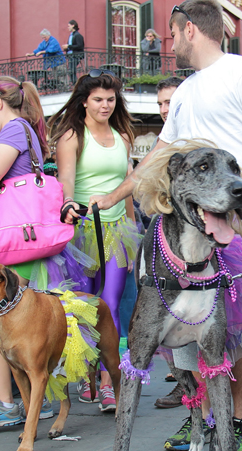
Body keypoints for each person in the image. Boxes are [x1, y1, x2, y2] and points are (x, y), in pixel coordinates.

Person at [91, 0, 242, 451]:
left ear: (191, 31)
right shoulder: (184, 91)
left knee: (232, 328)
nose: (169, 42)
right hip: (188, 218)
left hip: (235, 214)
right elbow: (157, 159)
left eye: (172, 34)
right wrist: (110, 198)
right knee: (180, 318)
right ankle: (202, 411)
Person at [0, 77, 64, 427]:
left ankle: (4, 401)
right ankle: (36, 400)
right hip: (24, 236)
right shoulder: (28, 130)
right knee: (22, 319)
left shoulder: (13, 130)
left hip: (5, 237)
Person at [47, 70, 139, 413]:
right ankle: (85, 375)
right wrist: (68, 203)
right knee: (83, 305)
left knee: (111, 303)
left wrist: (132, 228)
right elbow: (65, 179)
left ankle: (107, 380)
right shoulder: (72, 135)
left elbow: (127, 185)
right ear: (84, 100)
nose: (105, 105)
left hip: (117, 231)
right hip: (82, 230)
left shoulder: (123, 135)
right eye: (98, 99)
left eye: (111, 99)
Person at [151, 75, 186, 409]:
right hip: (163, 240)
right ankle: (180, 378)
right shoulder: (162, 144)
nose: (165, 109)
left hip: (194, 245)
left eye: (170, 102)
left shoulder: (191, 139)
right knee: (165, 309)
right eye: (160, 103)